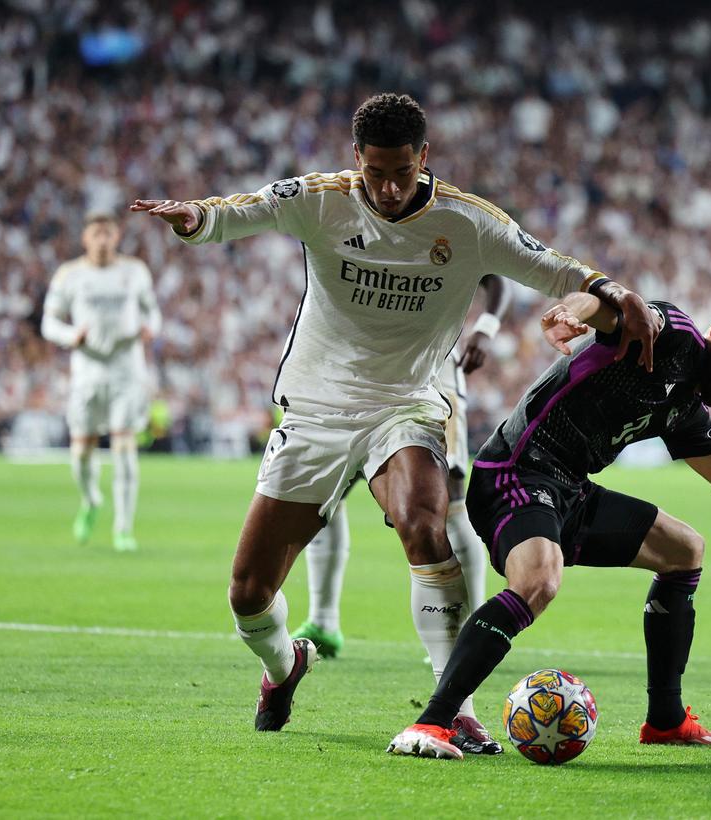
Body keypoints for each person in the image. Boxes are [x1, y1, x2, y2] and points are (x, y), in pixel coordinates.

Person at [129, 93, 657, 734]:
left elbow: (552, 266)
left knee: (423, 524)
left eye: (400, 171)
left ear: (423, 157)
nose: (385, 186)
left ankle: (453, 705)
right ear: (357, 159)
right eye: (373, 171)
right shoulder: (323, 198)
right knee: (247, 595)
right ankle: (284, 664)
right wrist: (195, 219)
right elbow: (248, 209)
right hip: (316, 409)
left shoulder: (469, 222)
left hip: (405, 405)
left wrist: (609, 290)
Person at [388, 293, 711, 759]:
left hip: (569, 486)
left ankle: (665, 720)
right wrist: (572, 312)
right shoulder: (672, 336)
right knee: (539, 580)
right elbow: (617, 305)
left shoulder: (685, 406)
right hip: (515, 471)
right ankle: (434, 720)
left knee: (685, 548)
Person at [290, 273, 512, 754]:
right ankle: (323, 618)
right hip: (355, 372)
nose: (390, 191)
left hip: (431, 368)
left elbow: (496, 277)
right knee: (326, 493)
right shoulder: (359, 217)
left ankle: (465, 634)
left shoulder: (449, 218)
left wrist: (485, 327)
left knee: (447, 500)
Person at [41, 212, 161, 552]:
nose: (103, 240)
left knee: (124, 448)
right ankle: (91, 499)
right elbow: (48, 322)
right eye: (97, 234)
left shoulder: (134, 271)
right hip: (87, 373)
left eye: (108, 234)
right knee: (81, 452)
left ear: (117, 237)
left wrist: (152, 327)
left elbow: (153, 311)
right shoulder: (70, 275)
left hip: (127, 371)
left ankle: (123, 528)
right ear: (86, 239)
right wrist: (70, 335)